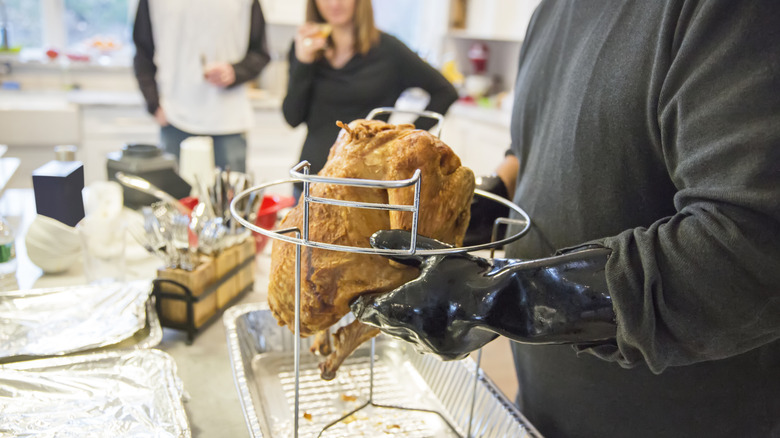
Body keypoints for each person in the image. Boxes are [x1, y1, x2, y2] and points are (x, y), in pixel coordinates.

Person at [351, 1, 780, 437]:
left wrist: (504, 299)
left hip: (676, 418)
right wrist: (479, 208)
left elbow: (752, 243)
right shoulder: (550, 11)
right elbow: (531, 150)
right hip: (541, 407)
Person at [282, 0, 458, 196]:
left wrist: (402, 141)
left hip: (363, 190)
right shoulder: (305, 49)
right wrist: (303, 63)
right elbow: (292, 117)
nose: (334, 3)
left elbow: (445, 92)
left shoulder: (389, 51)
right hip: (308, 183)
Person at [133, 0, 270, 173]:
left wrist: (235, 72)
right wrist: (153, 103)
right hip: (174, 119)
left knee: (229, 199)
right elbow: (142, 51)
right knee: (176, 198)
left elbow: (260, 53)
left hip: (229, 122)